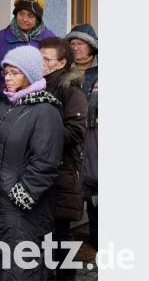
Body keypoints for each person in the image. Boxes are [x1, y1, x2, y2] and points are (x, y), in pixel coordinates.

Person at [0, 45, 64, 280]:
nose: (8, 78)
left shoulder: (45, 110)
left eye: (15, 73)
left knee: (21, 270)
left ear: (30, 74)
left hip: (22, 213)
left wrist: (21, 195)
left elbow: (46, 162)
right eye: (6, 72)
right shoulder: (5, 105)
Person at [39, 37, 87, 280]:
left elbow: (76, 131)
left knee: (61, 234)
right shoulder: (37, 86)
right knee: (43, 236)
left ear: (61, 62)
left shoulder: (71, 92)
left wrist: (41, 137)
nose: (41, 63)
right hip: (39, 172)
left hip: (62, 172)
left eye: (46, 59)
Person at [65, 24, 99, 252]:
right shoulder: (67, 71)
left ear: (91, 47)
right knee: (72, 188)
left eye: (80, 44)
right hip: (71, 137)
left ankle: (99, 241)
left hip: (96, 139)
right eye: (73, 44)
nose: (76, 48)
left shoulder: (102, 71)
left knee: (97, 190)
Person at [0, 0, 56, 79]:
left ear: (37, 19)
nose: (24, 19)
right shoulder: (2, 38)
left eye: (30, 16)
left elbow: (55, 71)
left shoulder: (49, 39)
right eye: (21, 14)